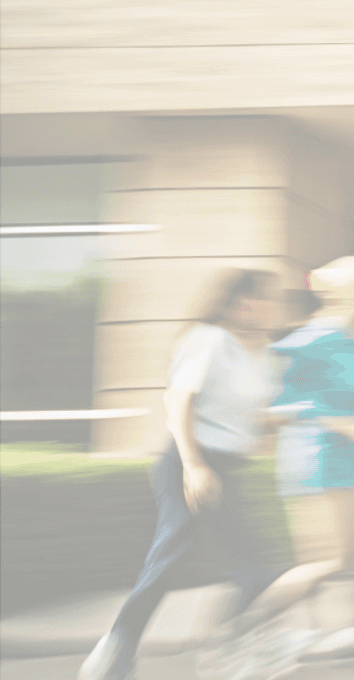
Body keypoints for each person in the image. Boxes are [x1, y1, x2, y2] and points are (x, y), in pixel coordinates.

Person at [78, 268, 287, 680]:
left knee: (257, 570)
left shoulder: (257, 353)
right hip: (189, 461)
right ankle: (115, 651)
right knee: (171, 557)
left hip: (226, 466)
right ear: (237, 304)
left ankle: (224, 647)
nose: (269, 307)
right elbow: (177, 402)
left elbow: (252, 420)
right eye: (262, 299)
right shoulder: (207, 339)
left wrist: (288, 419)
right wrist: (194, 466)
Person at [258, 255, 354, 665]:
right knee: (331, 561)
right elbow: (282, 405)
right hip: (317, 459)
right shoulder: (313, 339)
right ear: (351, 292)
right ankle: (248, 631)